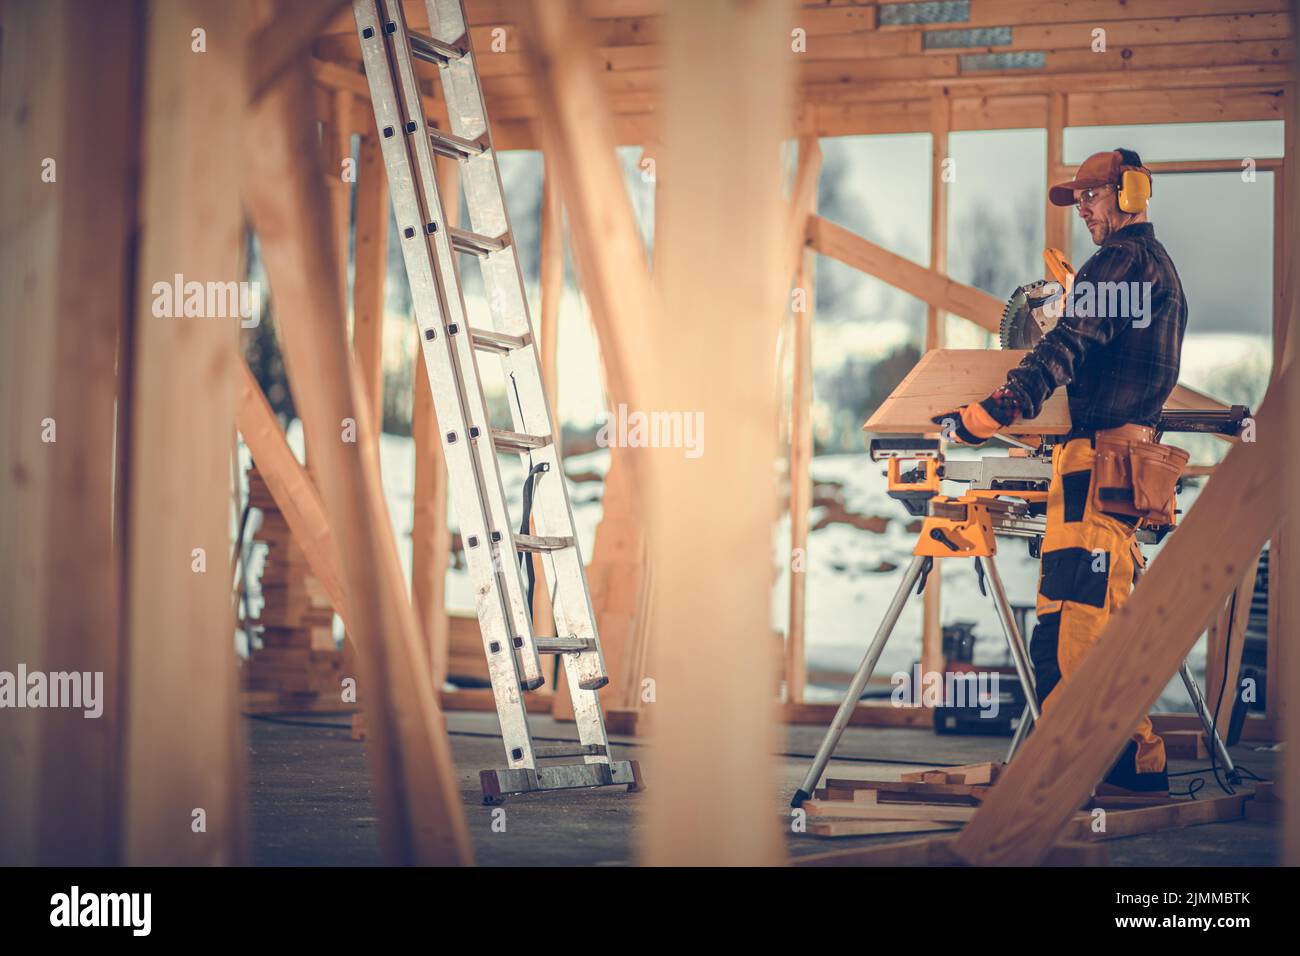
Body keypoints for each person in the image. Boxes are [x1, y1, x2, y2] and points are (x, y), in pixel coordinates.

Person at [933, 148, 1188, 793]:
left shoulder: (1124, 261)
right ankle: (1098, 759)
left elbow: (1068, 343)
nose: (1086, 211)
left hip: (1100, 462)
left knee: (1078, 620)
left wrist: (1002, 405)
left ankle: (1110, 762)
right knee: (1075, 614)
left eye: (1094, 197)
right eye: (1078, 201)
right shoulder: (1154, 271)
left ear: (1132, 193)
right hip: (1111, 461)